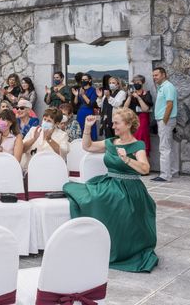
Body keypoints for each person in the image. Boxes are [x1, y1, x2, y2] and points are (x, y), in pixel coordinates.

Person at [63, 110, 158, 272]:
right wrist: (87, 127)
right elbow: (88, 146)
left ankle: (121, 249)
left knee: (115, 204)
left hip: (130, 188)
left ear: (128, 125)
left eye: (116, 123)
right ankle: (96, 242)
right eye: (113, 123)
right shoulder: (111, 142)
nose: (112, 126)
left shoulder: (137, 146)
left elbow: (145, 169)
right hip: (110, 183)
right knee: (88, 197)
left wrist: (127, 159)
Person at [152, 67, 178, 182]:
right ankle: (172, 172)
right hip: (163, 120)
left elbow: (169, 105)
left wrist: (164, 120)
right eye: (153, 75)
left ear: (163, 75)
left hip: (165, 120)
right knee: (168, 147)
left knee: (164, 148)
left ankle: (165, 175)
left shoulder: (167, 86)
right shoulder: (162, 87)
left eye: (156, 75)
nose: (154, 77)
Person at [124, 75, 153, 156]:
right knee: (132, 139)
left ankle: (144, 163)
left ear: (142, 83)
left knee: (141, 140)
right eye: (135, 83)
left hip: (142, 119)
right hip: (132, 119)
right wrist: (129, 96)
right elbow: (125, 108)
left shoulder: (146, 94)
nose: (136, 84)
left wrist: (138, 97)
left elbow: (145, 109)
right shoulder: (131, 94)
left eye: (138, 82)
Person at [73, 73, 98, 140]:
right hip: (80, 112)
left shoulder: (93, 90)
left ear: (89, 80)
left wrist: (83, 95)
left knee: (89, 129)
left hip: (89, 111)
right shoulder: (79, 89)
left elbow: (91, 104)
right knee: (80, 129)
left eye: (85, 79)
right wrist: (76, 95)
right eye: (82, 79)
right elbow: (76, 103)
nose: (83, 81)